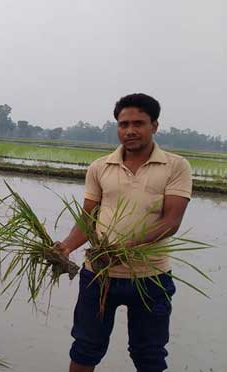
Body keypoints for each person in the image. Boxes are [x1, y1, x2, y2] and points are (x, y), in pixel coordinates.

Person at [56, 93, 192, 372]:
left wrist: (123, 249)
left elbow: (171, 221)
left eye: (138, 123)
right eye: (123, 123)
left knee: (149, 355)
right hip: (98, 274)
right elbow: (88, 219)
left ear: (154, 125)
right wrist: (66, 246)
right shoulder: (100, 166)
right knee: (85, 348)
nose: (129, 130)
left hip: (150, 278)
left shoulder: (176, 166)